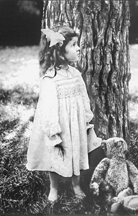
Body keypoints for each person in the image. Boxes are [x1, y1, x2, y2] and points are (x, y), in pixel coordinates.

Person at [26, 26, 97, 203]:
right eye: (73, 45)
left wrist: (87, 119)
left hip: (76, 124)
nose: (79, 48)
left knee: (77, 153)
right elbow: (48, 109)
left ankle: (76, 184)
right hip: (61, 126)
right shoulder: (50, 79)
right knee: (55, 155)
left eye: (77, 44)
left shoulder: (75, 74)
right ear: (60, 51)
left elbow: (83, 97)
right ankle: (54, 187)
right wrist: (53, 132)